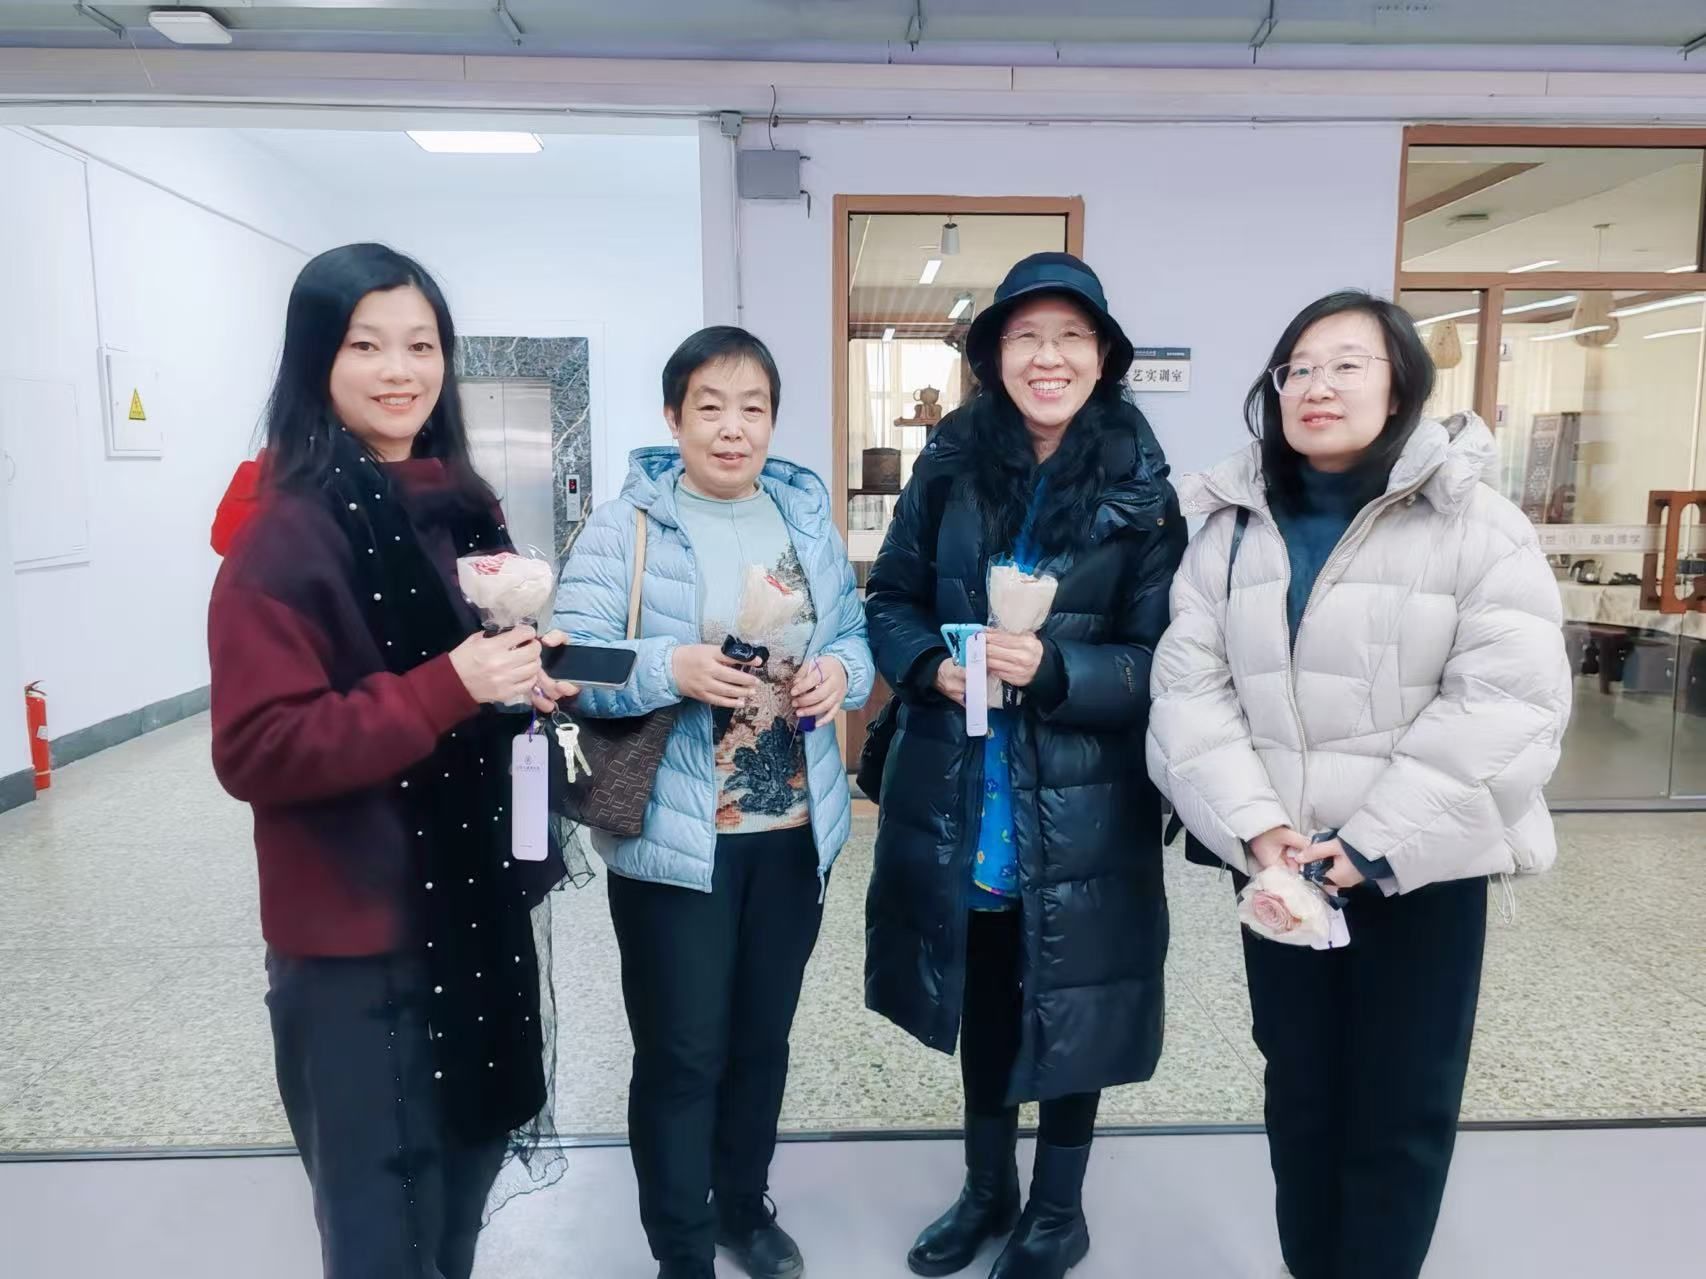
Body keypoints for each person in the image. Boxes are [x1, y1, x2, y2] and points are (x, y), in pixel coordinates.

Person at [1146, 289, 1571, 1279]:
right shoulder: (1230, 531)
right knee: (1299, 1091)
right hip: (1282, 868)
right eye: (1296, 367)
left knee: (1400, 1104)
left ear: (1401, 386)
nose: (1316, 385)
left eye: (1346, 363)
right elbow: (1188, 694)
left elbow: (1507, 706)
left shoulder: (1477, 525)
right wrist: (1256, 828)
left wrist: (1373, 843)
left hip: (1418, 871)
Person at [208, 243, 573, 1279]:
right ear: (315, 358)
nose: (400, 371)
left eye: (422, 345)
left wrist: (526, 676)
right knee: (382, 1228)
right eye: (366, 346)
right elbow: (257, 746)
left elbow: (469, 678)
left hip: (470, 913)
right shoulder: (282, 534)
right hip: (359, 944)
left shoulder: (460, 505)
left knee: (457, 1192)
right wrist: (448, 685)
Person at [863, 253, 1187, 1279]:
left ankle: (1057, 1212)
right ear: (993, 355)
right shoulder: (950, 465)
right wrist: (929, 665)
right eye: (1025, 337)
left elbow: (1161, 662)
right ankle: (985, 1187)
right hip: (966, 785)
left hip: (1086, 796)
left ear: (1103, 356)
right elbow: (890, 599)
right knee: (988, 989)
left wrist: (1053, 670)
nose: (1048, 358)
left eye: (1071, 337)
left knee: (1071, 991)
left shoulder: (1143, 490)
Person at [552, 326, 874, 1279]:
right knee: (682, 1051)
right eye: (711, 406)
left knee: (760, 1042)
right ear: (674, 416)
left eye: (753, 409)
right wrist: (671, 666)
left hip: (792, 834)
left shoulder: (804, 520)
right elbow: (572, 662)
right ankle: (682, 1248)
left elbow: (854, 642)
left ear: (773, 421)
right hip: (675, 838)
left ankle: (741, 1205)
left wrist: (838, 676)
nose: (734, 429)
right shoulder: (626, 527)